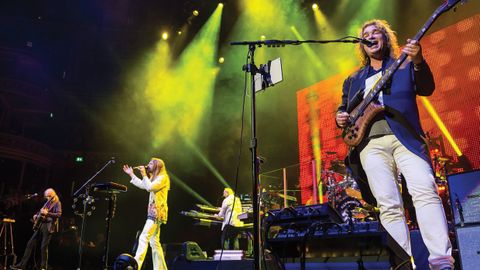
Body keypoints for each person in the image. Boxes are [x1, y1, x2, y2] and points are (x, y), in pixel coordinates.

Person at [335, 19, 454, 270]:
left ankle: (441, 262)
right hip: (370, 144)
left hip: (406, 138)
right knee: (388, 204)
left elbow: (427, 87)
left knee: (425, 191)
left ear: (385, 37)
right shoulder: (354, 79)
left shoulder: (404, 65)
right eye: (365, 34)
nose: (370, 36)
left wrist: (419, 61)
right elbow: (344, 110)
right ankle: (401, 264)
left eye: (375, 32)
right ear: (362, 45)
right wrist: (340, 116)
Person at [123, 158, 170, 270]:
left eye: (150, 163)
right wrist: (132, 175)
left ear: (157, 166)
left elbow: (149, 188)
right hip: (154, 211)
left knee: (144, 237)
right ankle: (161, 268)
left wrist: (144, 174)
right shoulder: (154, 178)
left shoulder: (163, 178)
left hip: (157, 212)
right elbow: (143, 185)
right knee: (154, 242)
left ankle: (136, 265)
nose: (147, 165)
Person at [11, 188, 62, 270]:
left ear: (53, 195)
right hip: (41, 225)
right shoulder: (47, 203)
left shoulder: (57, 203)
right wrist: (36, 215)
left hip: (48, 226)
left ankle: (43, 267)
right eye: (46, 196)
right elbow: (41, 211)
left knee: (43, 247)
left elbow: (59, 214)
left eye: (48, 196)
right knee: (30, 244)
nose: (47, 198)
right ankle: (21, 265)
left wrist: (47, 213)